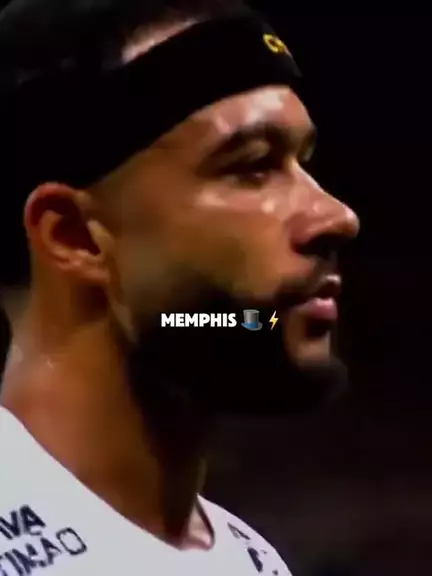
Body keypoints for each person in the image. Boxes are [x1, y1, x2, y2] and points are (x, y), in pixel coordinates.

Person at [0, 0, 360, 574]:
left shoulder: (253, 560)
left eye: (303, 162)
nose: (337, 216)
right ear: (75, 237)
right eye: (253, 165)